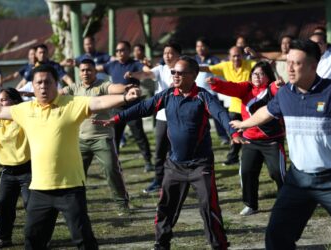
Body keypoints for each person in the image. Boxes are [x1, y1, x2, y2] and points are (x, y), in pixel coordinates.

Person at [0, 64, 140, 250]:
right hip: (39, 189)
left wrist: (124, 97)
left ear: (56, 83)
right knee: (33, 240)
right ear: (33, 87)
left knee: (83, 240)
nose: (43, 86)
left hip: (70, 188)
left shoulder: (71, 103)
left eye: (47, 82)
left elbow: (97, 102)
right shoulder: (25, 110)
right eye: (39, 83)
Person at [96, 56, 237, 250]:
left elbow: (220, 113)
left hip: (200, 165)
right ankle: (161, 244)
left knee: (208, 207)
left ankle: (219, 245)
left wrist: (233, 132)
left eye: (181, 72)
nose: (176, 75)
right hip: (174, 165)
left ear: (194, 75)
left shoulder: (202, 96)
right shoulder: (168, 95)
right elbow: (143, 107)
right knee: (165, 208)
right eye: (173, 72)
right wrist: (117, 118)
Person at [230, 39, 331, 250]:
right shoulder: (286, 93)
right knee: (277, 236)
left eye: (296, 63)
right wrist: (243, 123)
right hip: (298, 179)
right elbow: (266, 112)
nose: (289, 68)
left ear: (313, 66)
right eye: (287, 62)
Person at [206, 61, 286, 216]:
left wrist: (280, 85)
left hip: (272, 141)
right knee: (247, 172)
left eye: (262, 74)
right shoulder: (246, 88)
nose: (257, 76)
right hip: (250, 140)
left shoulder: (272, 89)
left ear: (268, 77)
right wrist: (216, 83)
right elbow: (231, 87)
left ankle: (287, 201)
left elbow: (278, 89)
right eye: (255, 73)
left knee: (277, 172)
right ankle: (250, 204)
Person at [59, 58, 130, 215]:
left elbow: (114, 88)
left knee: (112, 170)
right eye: (83, 70)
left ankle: (122, 204)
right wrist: (32, 94)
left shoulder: (102, 85)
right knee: (76, 175)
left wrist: (125, 87)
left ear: (95, 71)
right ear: (79, 72)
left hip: (102, 138)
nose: (85, 72)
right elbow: (57, 94)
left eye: (89, 70)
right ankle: (75, 206)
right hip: (80, 140)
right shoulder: (74, 88)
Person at [124, 42, 181, 193]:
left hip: (179, 116)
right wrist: (133, 74)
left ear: (178, 55)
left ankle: (179, 179)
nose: (167, 56)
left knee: (178, 149)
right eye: (165, 53)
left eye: (170, 53)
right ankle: (158, 179)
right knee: (160, 149)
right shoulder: (161, 69)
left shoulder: (183, 70)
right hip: (162, 116)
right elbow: (147, 74)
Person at [99, 41, 153, 172]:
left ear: (129, 51)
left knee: (139, 136)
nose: (119, 53)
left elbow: (147, 71)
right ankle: (115, 164)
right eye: (117, 51)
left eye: (122, 50)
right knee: (115, 138)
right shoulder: (112, 65)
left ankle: (148, 162)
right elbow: (97, 68)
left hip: (133, 108)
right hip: (117, 107)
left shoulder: (134, 64)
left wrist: (147, 66)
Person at [0, 88, 31, 249]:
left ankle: (38, 238)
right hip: (8, 172)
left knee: (31, 206)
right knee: (4, 205)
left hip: (29, 170)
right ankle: (3, 238)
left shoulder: (25, 117)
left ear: (15, 101)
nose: (0, 103)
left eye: (4, 100)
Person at [200, 46, 256, 165]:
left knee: (253, 133)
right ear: (229, 57)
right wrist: (187, 67)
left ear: (242, 55)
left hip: (251, 106)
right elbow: (206, 68)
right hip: (235, 107)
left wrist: (257, 55)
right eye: (233, 56)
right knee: (234, 133)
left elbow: (265, 66)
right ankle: (233, 157)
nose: (236, 58)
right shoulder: (225, 66)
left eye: (238, 55)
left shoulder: (251, 64)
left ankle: (256, 157)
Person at [195, 37, 230, 145]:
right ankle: (198, 138)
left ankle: (224, 137)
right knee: (196, 117)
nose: (200, 48)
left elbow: (220, 67)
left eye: (202, 46)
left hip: (211, 93)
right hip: (196, 93)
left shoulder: (214, 59)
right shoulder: (194, 59)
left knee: (217, 115)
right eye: (198, 46)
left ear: (207, 48)